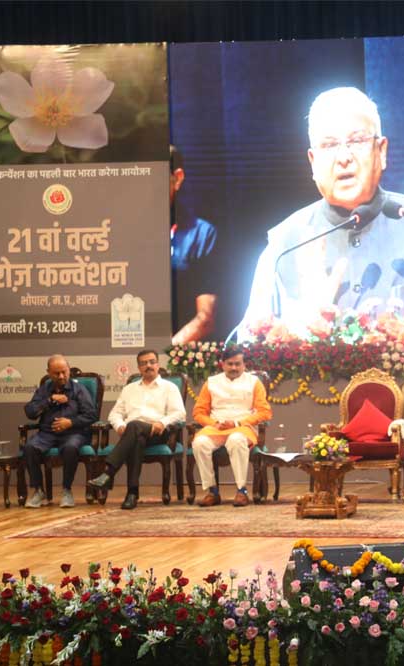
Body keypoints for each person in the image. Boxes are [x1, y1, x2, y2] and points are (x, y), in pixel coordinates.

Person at [240, 87, 404, 336]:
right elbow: (248, 344)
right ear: (313, 162)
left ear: (381, 151)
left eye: (357, 141)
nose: (344, 157)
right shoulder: (284, 245)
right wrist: (305, 325)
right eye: (329, 145)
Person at [88, 349, 186, 510]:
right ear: (139, 367)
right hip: (134, 434)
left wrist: (162, 422)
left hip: (157, 433)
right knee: (137, 438)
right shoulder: (129, 389)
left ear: (158, 364)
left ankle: (108, 473)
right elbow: (114, 414)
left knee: (133, 425)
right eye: (144, 363)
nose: (148, 366)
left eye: (152, 362)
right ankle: (132, 494)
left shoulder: (169, 387)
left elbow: (180, 413)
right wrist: (120, 425)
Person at [192, 345, 272, 507]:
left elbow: (265, 412)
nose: (234, 367)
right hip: (216, 428)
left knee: (236, 439)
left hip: (243, 427)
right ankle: (212, 491)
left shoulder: (254, 382)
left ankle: (241, 491)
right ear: (222, 364)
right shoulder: (211, 383)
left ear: (244, 365)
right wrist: (214, 423)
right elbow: (198, 412)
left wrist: (237, 423)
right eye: (230, 364)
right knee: (199, 443)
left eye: (237, 364)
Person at [22, 355, 98, 508]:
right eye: (57, 373)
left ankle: (66, 490)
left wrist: (70, 422)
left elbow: (91, 415)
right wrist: (49, 400)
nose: (61, 376)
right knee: (30, 447)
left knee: (70, 447)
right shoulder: (44, 390)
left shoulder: (78, 389)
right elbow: (30, 411)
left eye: (64, 372)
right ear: (49, 372)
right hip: (47, 434)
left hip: (73, 433)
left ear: (69, 370)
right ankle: (38, 491)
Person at [170, 145, 218, 345]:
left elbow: (205, 319)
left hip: (177, 353)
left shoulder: (202, 234)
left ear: (177, 178)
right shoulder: (126, 230)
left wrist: (162, 353)